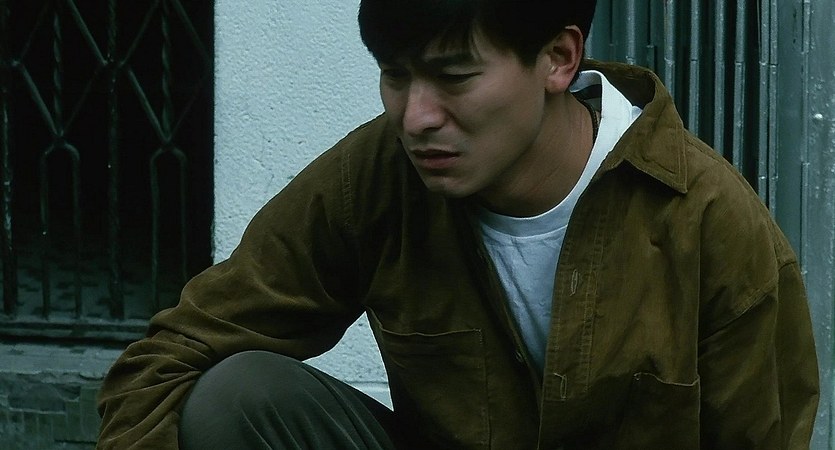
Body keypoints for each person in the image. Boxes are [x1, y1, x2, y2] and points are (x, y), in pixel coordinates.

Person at [96, 0, 820, 448]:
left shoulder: (709, 222)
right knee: (239, 397)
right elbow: (171, 356)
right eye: (395, 75)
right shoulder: (376, 178)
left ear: (558, 58)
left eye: (453, 77)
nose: (416, 117)